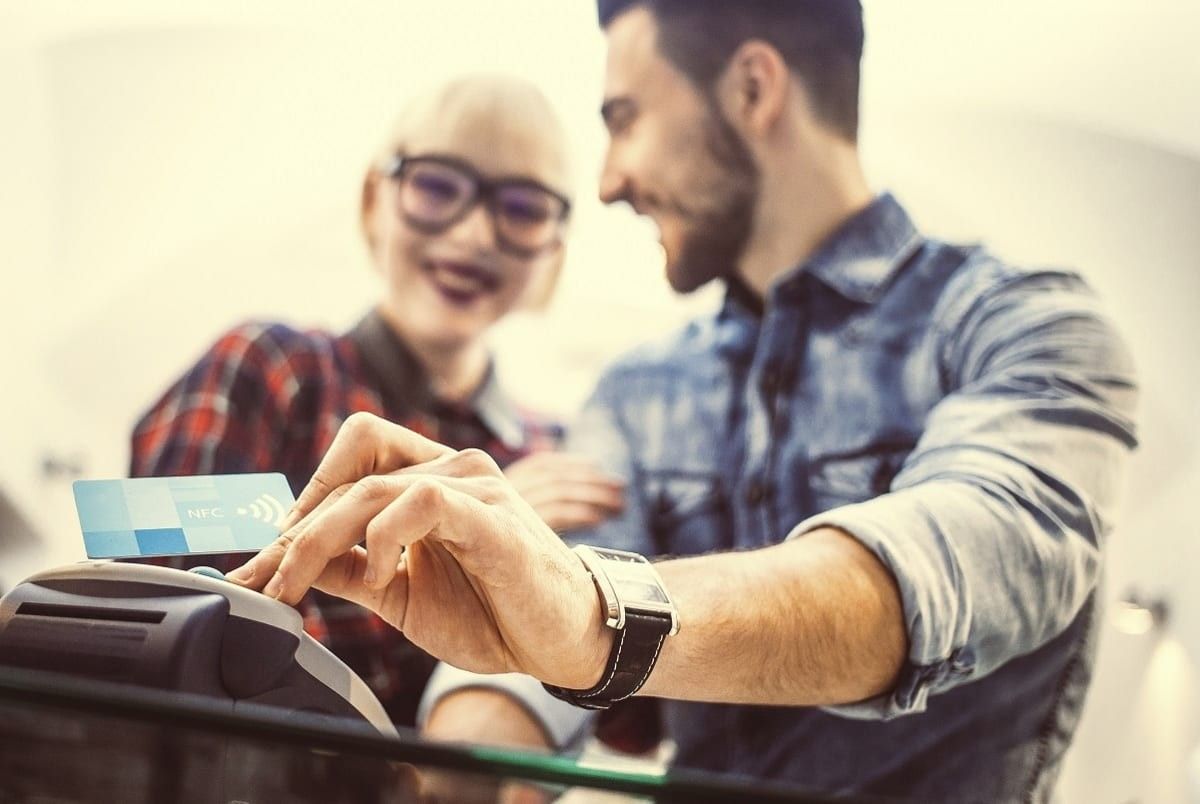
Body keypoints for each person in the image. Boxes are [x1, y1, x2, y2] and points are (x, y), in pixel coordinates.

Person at [230, 1, 1139, 801]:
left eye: (624, 120)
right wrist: (455, 776)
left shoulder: (1030, 330)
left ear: (753, 88)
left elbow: (934, 575)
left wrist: (591, 613)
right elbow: (527, 631)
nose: (608, 181)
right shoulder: (639, 388)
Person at [128, 73, 624, 730]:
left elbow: (622, 713)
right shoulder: (265, 366)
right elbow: (164, 603)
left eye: (523, 208)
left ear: (554, 251)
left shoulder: (555, 458)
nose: (476, 234)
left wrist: (524, 558)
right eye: (436, 186)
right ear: (374, 199)